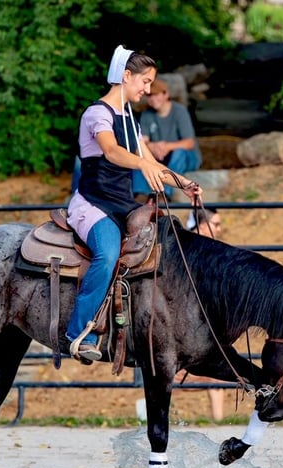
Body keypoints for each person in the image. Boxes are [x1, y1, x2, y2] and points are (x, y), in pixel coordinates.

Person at [64, 45, 202, 362]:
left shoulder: (132, 122)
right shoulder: (97, 114)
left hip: (120, 204)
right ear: (127, 76)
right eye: (145, 81)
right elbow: (111, 152)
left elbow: (152, 162)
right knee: (109, 252)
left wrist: (184, 183)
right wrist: (142, 165)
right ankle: (77, 333)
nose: (148, 89)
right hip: (92, 204)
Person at [176, 207, 225, 420]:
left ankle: (219, 420)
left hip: (202, 318)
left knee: (218, 372)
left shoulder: (210, 249)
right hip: (184, 318)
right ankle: (218, 421)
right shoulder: (189, 247)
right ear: (203, 225)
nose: (220, 229)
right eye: (216, 224)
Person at [132, 78, 202, 200]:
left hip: (185, 158)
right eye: (149, 95)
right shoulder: (146, 114)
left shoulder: (179, 111)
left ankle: (164, 194)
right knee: (140, 154)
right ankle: (140, 193)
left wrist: (166, 147)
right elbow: (143, 141)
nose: (152, 99)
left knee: (179, 153)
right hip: (160, 158)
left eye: (156, 95)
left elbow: (189, 143)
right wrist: (153, 147)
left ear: (166, 94)